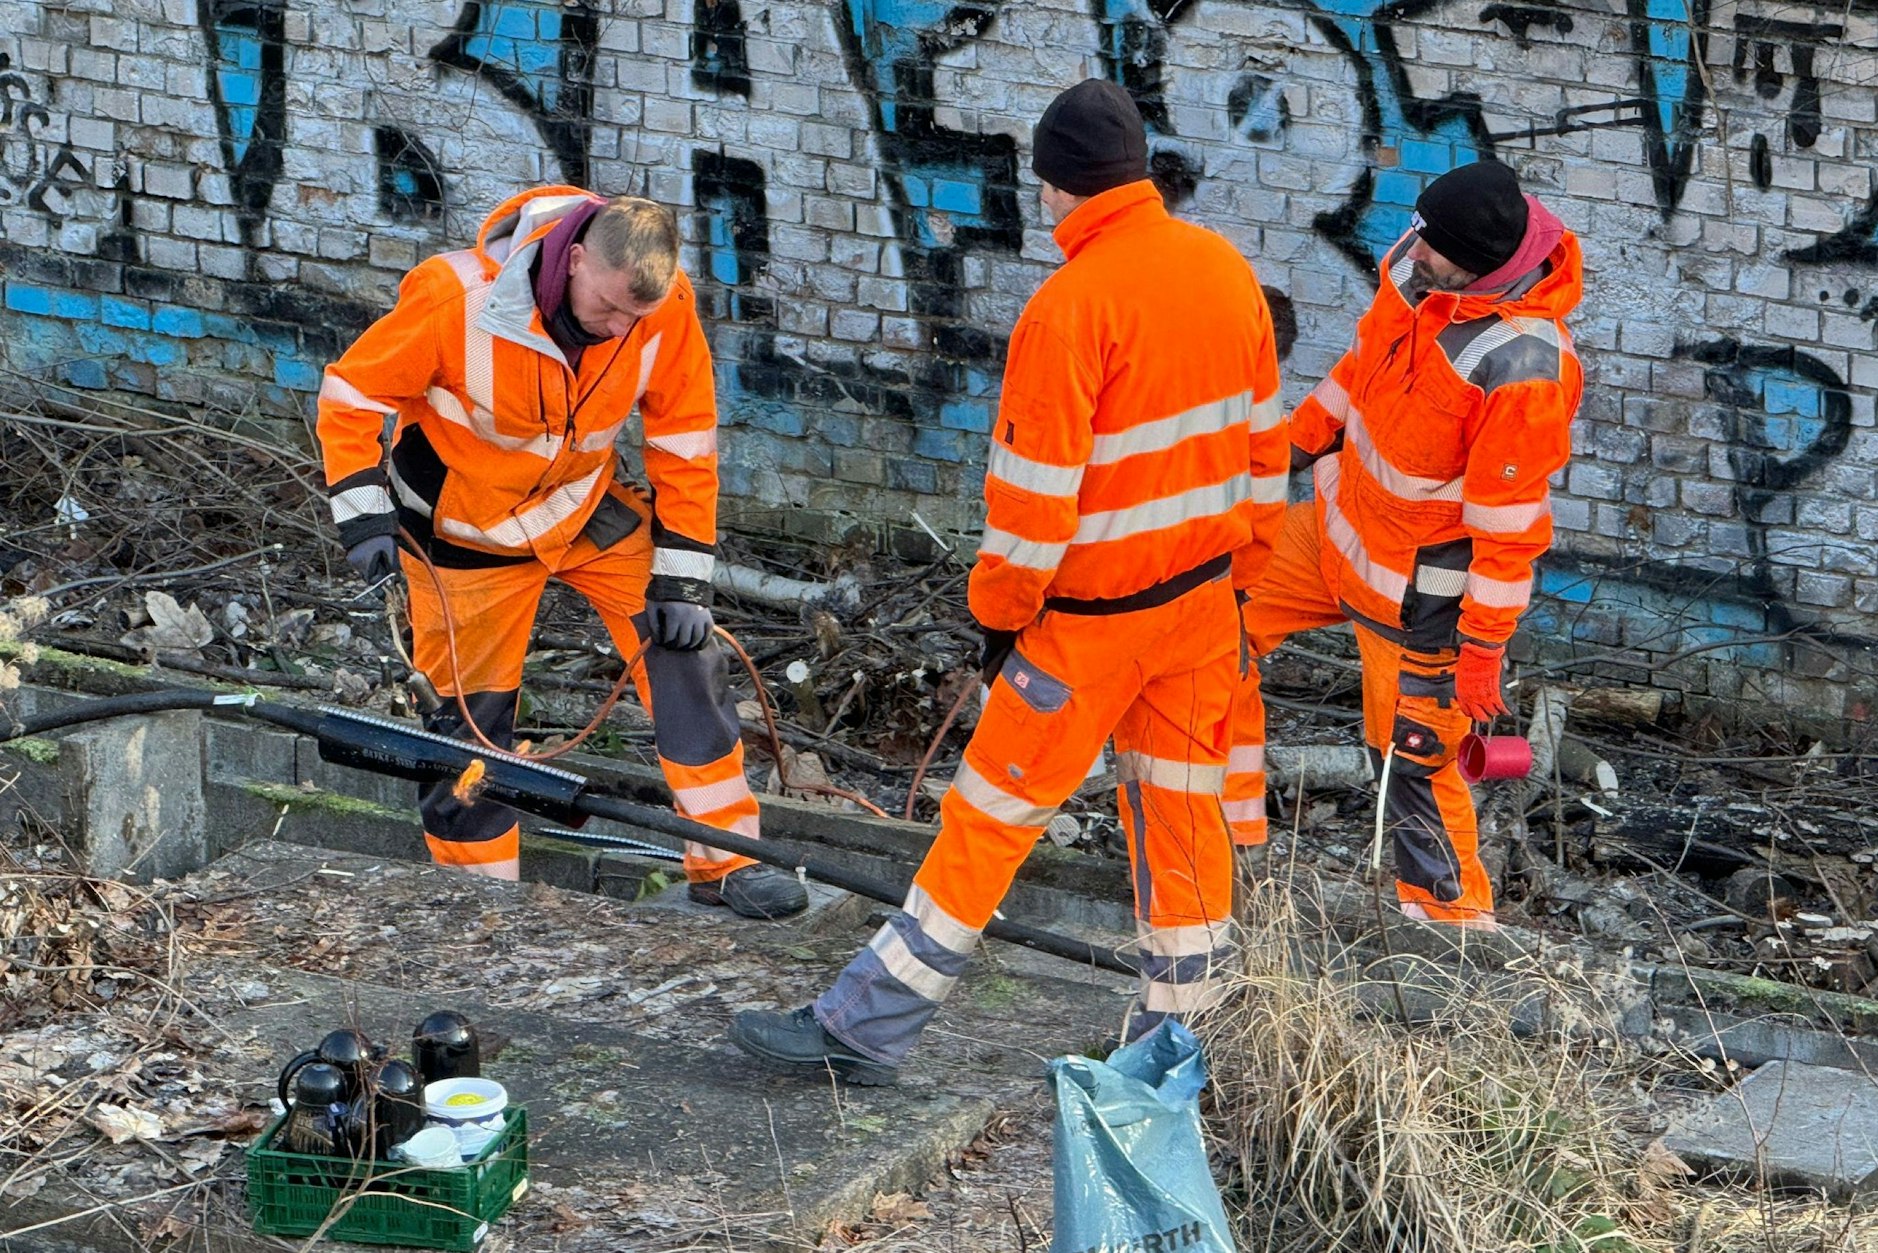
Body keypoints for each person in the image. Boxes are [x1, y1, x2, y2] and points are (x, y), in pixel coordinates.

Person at [727, 79, 1289, 1084]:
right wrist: (1232, 581)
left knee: (987, 818)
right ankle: (1176, 1051)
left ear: (1051, 187)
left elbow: (1032, 507)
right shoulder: (1223, 270)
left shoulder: (1069, 307)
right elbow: (1263, 452)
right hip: (1203, 610)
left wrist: (996, 621)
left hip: (1087, 627)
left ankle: (862, 1027)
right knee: (1183, 826)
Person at [314, 187, 806, 918]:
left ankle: (727, 862)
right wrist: (364, 519)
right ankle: (483, 908)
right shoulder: (458, 300)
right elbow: (350, 395)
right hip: (464, 534)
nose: (617, 329)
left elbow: (685, 438)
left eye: (633, 318)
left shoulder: (659, 308)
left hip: (579, 510)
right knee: (468, 732)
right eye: (607, 309)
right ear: (572, 259)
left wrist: (684, 581)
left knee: (685, 651)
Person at [1223, 160, 1584, 928]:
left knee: (1415, 761)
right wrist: (1297, 443)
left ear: (1480, 265)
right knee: (1211, 628)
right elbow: (1361, 369)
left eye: (1433, 244)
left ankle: (1454, 935)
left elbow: (1509, 530)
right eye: (1419, 232)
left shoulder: (1523, 371)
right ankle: (1227, 838)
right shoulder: (1417, 277)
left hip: (1419, 598)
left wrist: (1484, 646)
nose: (1412, 250)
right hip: (1333, 532)